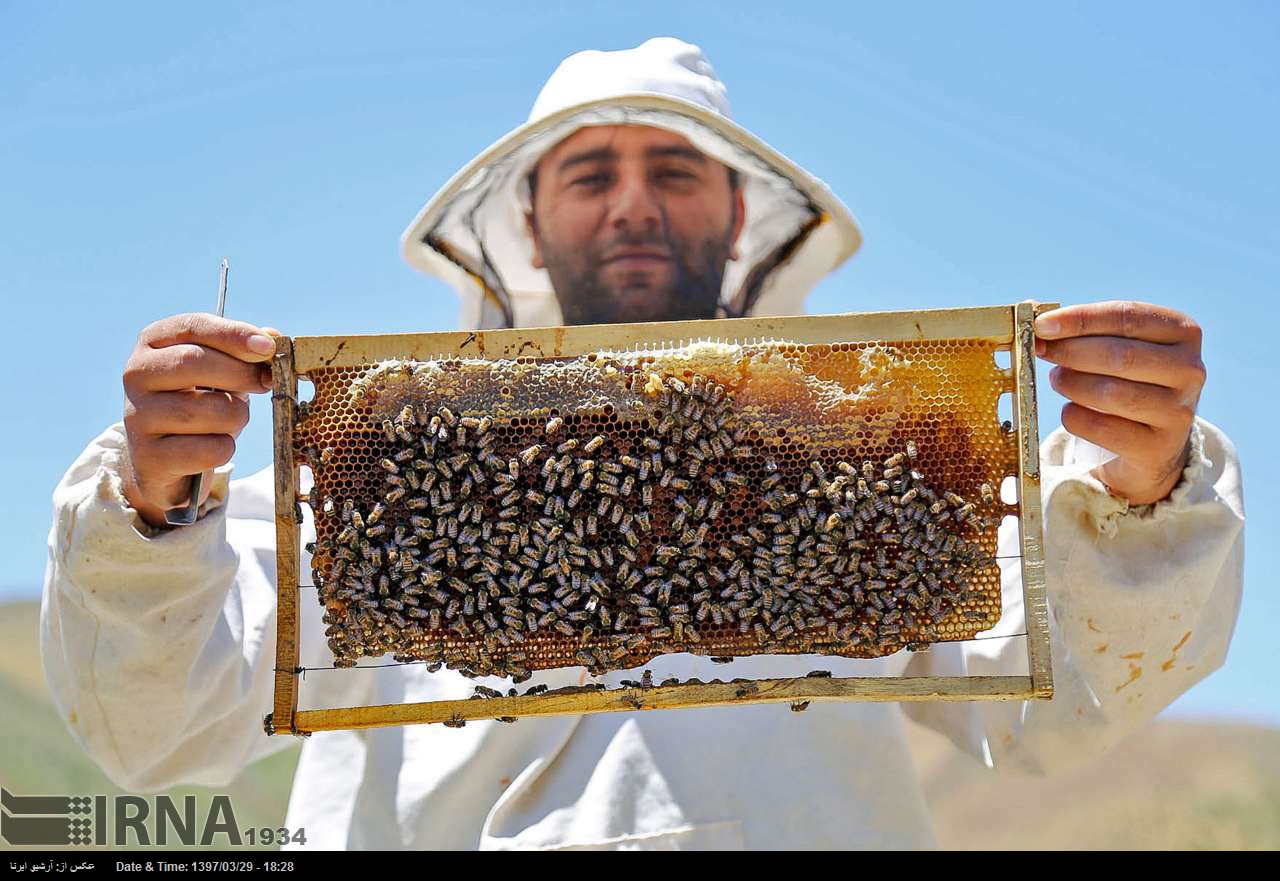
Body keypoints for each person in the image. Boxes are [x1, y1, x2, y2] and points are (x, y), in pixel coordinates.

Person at [41, 38, 1244, 850]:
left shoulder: (854, 470)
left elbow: (1059, 697)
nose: (632, 204)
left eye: (674, 170)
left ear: (739, 218)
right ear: (525, 220)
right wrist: (152, 511)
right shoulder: (366, 482)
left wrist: (1141, 493)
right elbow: (157, 728)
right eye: (588, 175)